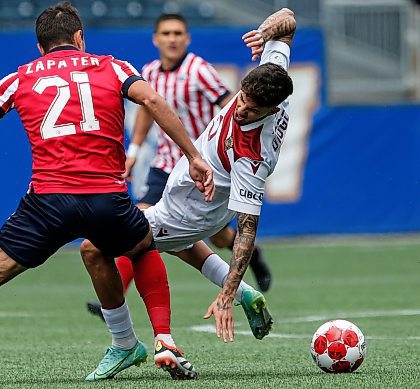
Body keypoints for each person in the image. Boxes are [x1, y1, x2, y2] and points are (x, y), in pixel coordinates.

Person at [0, 2, 215, 386]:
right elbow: (153, 101)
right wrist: (193, 156)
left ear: (40, 47)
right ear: (79, 38)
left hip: (47, 203)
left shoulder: (19, 78)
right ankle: (164, 340)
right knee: (141, 247)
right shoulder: (114, 66)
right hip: (106, 198)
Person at [82, 7, 296, 345]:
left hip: (194, 209)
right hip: (183, 180)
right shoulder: (272, 78)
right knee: (182, 247)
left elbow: (246, 230)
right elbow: (288, 20)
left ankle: (129, 343)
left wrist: (224, 298)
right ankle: (247, 294)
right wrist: (267, 31)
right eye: (242, 99)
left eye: (253, 111)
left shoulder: (251, 155)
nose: (240, 109)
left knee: (97, 247)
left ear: (272, 110)